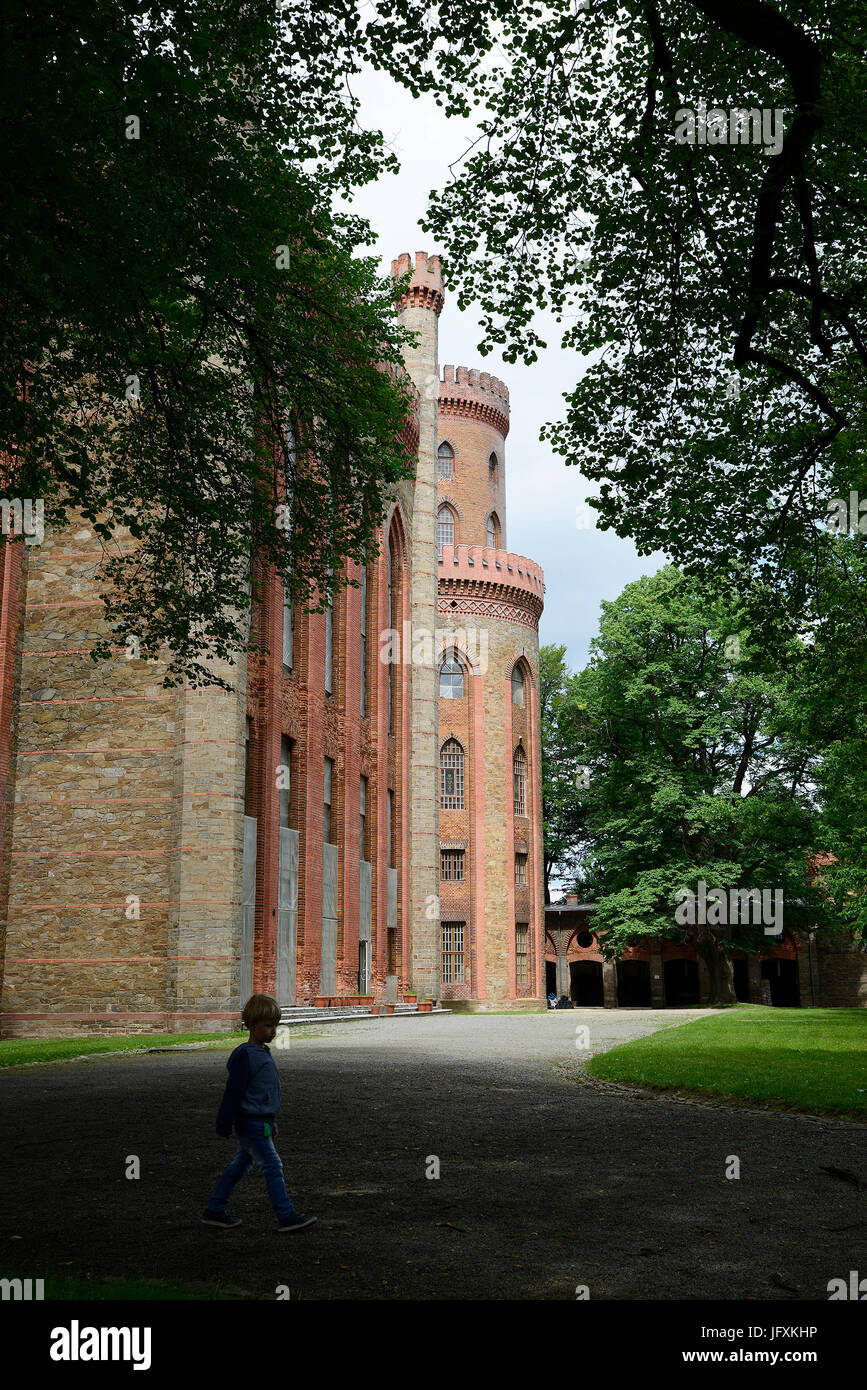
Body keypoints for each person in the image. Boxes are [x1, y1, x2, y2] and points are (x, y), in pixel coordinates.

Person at [202, 993, 316, 1233]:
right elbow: (234, 1092)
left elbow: (262, 1092)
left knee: (240, 1166)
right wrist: (224, 1122)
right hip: (249, 1123)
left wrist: (271, 1120)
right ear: (252, 1026)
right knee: (272, 1165)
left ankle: (214, 1209)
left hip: (259, 1121)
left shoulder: (261, 1053)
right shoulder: (245, 1055)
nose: (274, 1031)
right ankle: (285, 1215)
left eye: (275, 1025)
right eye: (268, 1026)